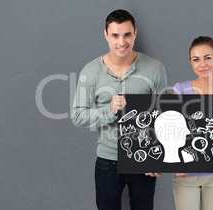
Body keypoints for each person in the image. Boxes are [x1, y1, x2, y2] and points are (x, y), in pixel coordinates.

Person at [71, 9, 167, 210]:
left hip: (143, 160)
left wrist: (158, 159)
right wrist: (109, 110)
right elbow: (78, 116)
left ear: (135, 34)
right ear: (106, 35)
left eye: (127, 35)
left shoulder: (155, 68)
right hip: (107, 161)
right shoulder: (91, 71)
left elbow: (163, 115)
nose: (121, 42)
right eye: (115, 35)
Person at [171, 36, 213, 210]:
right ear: (191, 62)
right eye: (196, 59)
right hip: (185, 174)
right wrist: (173, 162)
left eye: (207, 57)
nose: (202, 64)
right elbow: (168, 131)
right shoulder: (179, 90)